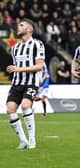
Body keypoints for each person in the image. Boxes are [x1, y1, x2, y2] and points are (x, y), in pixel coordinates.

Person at [6, 18, 45, 149]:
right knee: (10, 109)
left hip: (31, 83)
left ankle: (32, 140)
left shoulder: (37, 44)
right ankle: (23, 141)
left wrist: (19, 68)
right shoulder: (15, 48)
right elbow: (18, 66)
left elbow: (39, 66)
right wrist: (14, 68)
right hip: (17, 83)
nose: (18, 27)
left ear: (29, 29)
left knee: (25, 105)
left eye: (21, 25)